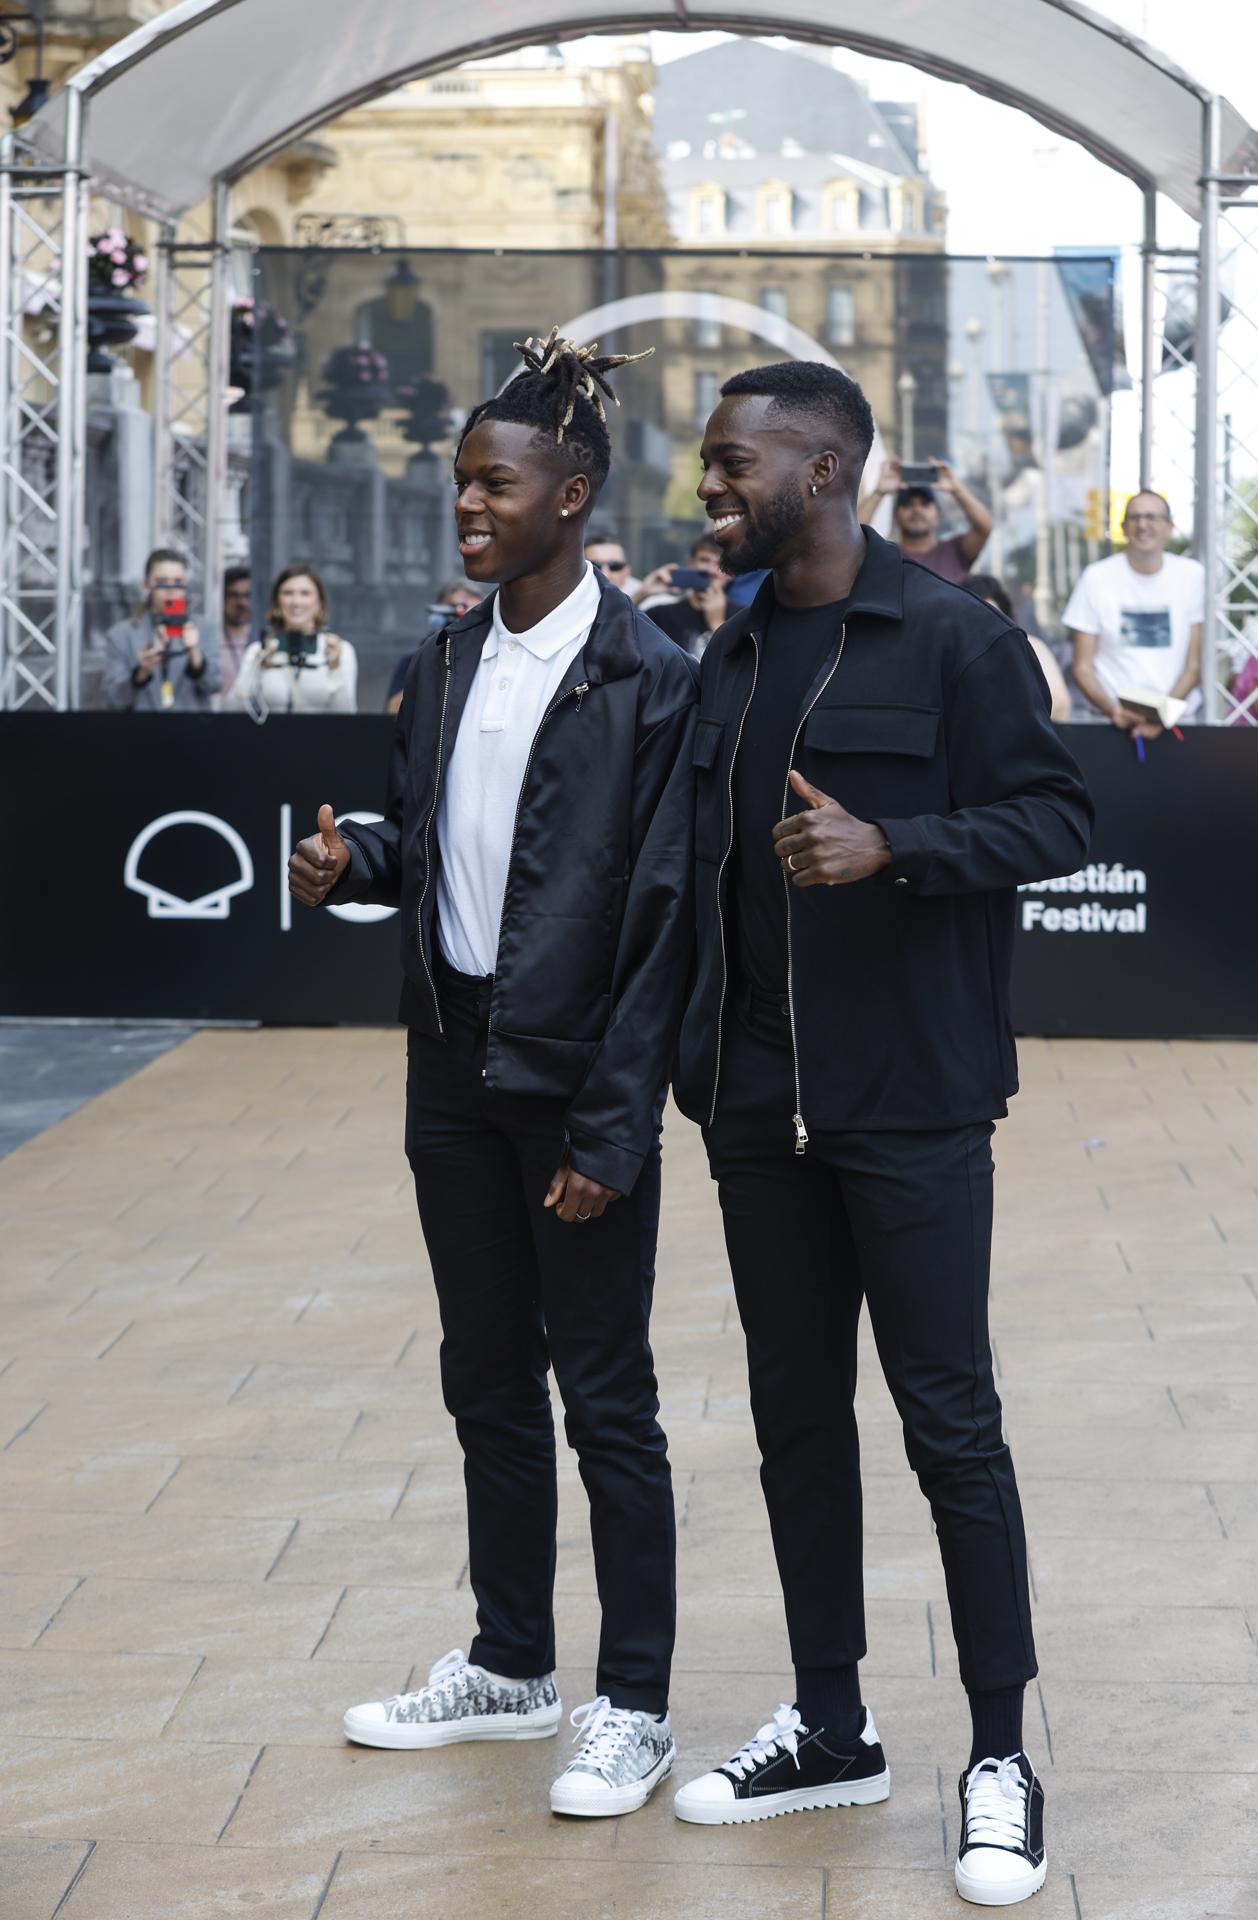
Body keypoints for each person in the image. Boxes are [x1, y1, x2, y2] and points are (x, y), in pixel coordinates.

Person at [670, 361, 1092, 1909]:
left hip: (910, 1105)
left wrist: (892, 843)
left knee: (947, 1427)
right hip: (753, 1110)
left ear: (824, 468)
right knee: (794, 1425)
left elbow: (1054, 818)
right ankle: (830, 1723)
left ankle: (997, 1753)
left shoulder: (953, 634)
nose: (709, 483)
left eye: (732, 462)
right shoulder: (724, 655)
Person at [287, 326, 697, 1820]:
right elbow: (441, 851)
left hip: (574, 1091)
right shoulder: (445, 653)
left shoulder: (652, 674)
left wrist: (615, 1122)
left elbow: (662, 921)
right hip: (450, 1072)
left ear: (572, 494)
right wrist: (354, 868)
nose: (467, 506)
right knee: (483, 1380)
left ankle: (633, 1703)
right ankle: (513, 1665)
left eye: (494, 485)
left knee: (606, 1398)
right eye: (461, 483)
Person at [1063, 490, 1203, 737]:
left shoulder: (1191, 575)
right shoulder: (1095, 578)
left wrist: (1162, 716)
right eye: (1134, 517)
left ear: (1169, 527)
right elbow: (1081, 666)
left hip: (1178, 724)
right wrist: (1114, 711)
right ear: (1124, 527)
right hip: (1109, 724)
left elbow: (1194, 665)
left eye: (1152, 517)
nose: (1142, 525)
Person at [230, 563, 357, 715]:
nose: (296, 602)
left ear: (319, 602)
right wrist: (257, 668)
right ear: (277, 601)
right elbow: (231, 709)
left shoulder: (340, 650)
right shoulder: (259, 650)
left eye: (305, 593)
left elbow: (347, 713)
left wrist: (335, 668)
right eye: (288, 593)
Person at [102, 548, 220, 712]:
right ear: (146, 583)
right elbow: (114, 698)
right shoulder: (121, 635)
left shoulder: (205, 629)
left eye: (178, 583)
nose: (170, 590)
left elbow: (215, 685)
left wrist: (194, 653)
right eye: (162, 581)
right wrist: (140, 673)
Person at [859, 455, 993, 583]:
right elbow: (851, 536)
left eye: (925, 504)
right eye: (907, 504)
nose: (917, 510)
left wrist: (956, 488)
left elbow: (984, 528)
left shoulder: (956, 552)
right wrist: (878, 492)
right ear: (895, 518)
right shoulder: (883, 556)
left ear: (938, 516)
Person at [964, 573, 1072, 722]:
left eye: (992, 616)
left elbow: (1059, 706)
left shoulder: (1029, 646)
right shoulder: (951, 653)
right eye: (976, 617)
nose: (984, 627)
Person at [385, 578, 485, 715]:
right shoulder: (417, 659)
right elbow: (393, 711)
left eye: (475, 612)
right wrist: (433, 660)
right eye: (458, 610)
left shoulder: (491, 659)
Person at [645, 535, 728, 657]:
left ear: (730, 572)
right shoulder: (662, 615)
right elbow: (621, 637)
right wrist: (642, 593)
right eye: (704, 560)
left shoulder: (745, 616)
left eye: (719, 564)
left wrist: (717, 625)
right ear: (691, 564)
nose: (710, 571)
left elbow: (743, 668)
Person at [219, 564, 253, 704]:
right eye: (234, 595)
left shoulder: (263, 639)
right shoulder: (213, 639)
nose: (241, 602)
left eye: (247, 595)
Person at [583, 525, 641, 597]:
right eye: (595, 566)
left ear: (627, 571)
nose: (605, 574)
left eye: (614, 566)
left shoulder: (645, 596)